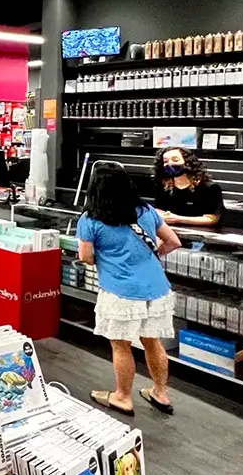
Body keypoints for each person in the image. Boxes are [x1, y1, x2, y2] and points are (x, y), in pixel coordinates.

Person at [78, 164, 182, 415]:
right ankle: (160, 393)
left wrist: (110, 261)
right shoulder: (146, 211)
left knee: (121, 345)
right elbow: (173, 241)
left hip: (120, 291)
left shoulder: (90, 219)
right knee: (152, 341)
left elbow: (85, 256)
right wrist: (148, 257)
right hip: (156, 288)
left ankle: (123, 397)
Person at [154, 147, 223, 226]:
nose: (170, 164)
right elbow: (159, 208)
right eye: (166, 161)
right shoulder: (163, 185)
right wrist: (162, 216)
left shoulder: (209, 188)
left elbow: (212, 218)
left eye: (175, 160)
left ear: (187, 162)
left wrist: (178, 219)